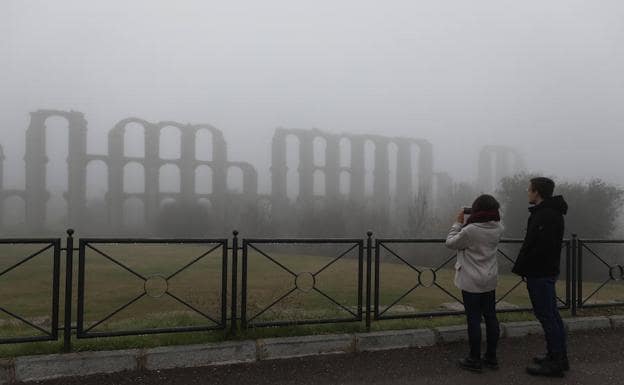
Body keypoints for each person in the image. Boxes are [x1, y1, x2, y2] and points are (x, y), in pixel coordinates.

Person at [512, 177, 569, 377]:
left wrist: (526, 267)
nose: (528, 193)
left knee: (547, 316)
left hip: (541, 272)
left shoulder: (546, 215)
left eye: (529, 190)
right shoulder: (549, 213)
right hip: (544, 271)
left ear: (537, 192)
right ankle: (558, 356)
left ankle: (555, 362)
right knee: (551, 315)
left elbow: (539, 247)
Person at [446, 194, 504, 373]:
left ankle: (474, 358)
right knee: (491, 317)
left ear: (477, 210)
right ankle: (491, 357)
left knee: (473, 319)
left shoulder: (470, 231)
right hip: (489, 279)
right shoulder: (498, 228)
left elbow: (450, 243)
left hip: (471, 280)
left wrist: (457, 223)